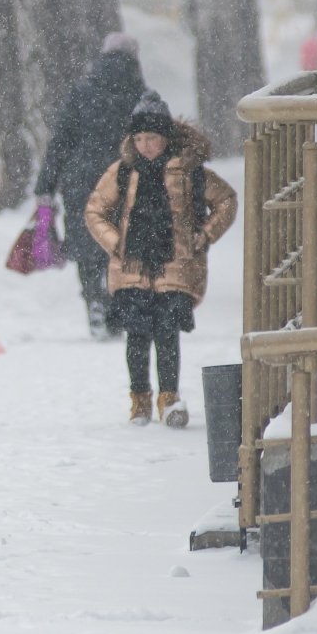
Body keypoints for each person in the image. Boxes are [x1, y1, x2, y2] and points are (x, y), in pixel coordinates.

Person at [84, 91, 237, 429]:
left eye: (151, 138)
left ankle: (169, 397)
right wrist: (115, 243)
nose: (145, 146)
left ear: (165, 136)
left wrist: (205, 234)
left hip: (176, 264)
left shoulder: (190, 171)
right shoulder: (123, 172)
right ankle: (139, 398)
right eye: (138, 138)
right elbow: (95, 210)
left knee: (167, 331)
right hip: (132, 266)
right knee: (136, 334)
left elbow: (226, 200)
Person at [34, 31, 148, 340]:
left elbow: (60, 141)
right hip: (125, 179)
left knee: (87, 246)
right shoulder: (141, 97)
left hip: (81, 180)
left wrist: (45, 185)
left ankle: (94, 301)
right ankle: (113, 304)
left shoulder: (82, 91)